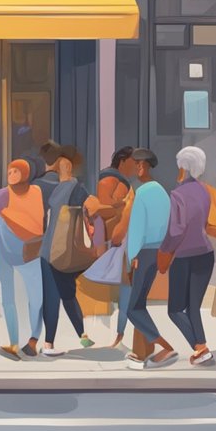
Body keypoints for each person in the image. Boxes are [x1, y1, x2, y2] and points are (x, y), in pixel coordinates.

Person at [122, 148, 178, 370]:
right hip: (158, 251)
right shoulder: (162, 192)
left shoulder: (142, 192)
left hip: (143, 253)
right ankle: (144, 351)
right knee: (140, 302)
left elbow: (137, 229)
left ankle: (165, 347)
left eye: (136, 164)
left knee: (133, 308)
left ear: (142, 166)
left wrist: (131, 257)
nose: (134, 168)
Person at [39, 145, 95, 356]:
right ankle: (53, 343)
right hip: (62, 249)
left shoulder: (55, 188)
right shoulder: (72, 187)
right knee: (65, 294)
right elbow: (93, 207)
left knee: (58, 295)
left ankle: (67, 338)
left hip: (51, 249)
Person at [163, 147, 216, 367]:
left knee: (175, 309)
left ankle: (201, 348)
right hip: (206, 253)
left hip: (184, 256)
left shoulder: (177, 194)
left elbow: (175, 231)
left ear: (183, 168)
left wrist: (165, 249)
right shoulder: (205, 191)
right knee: (193, 306)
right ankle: (201, 348)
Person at [0, 159, 45, 361]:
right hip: (7, 252)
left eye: (16, 171)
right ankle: (12, 343)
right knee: (8, 299)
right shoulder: (3, 194)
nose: (11, 174)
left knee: (36, 299)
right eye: (9, 170)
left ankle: (33, 339)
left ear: (26, 174)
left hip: (30, 252)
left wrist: (11, 219)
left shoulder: (36, 192)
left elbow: (37, 223)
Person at [87, 147, 136, 349]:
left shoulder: (120, 181)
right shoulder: (110, 180)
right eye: (134, 161)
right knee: (119, 289)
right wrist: (122, 206)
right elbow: (102, 209)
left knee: (124, 289)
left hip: (117, 242)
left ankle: (119, 334)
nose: (137, 166)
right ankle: (115, 335)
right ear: (123, 161)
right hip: (113, 242)